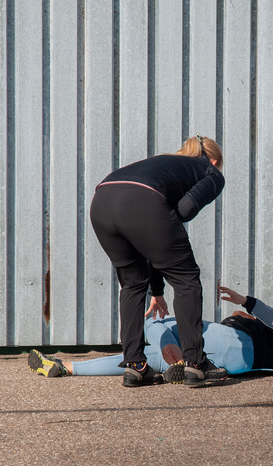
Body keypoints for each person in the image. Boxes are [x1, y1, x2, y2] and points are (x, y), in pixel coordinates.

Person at [88, 134, 226, 388]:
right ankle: (195, 364)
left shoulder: (165, 162)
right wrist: (162, 227)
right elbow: (183, 211)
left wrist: (158, 290)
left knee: (131, 284)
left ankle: (135, 366)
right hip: (142, 201)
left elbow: (150, 239)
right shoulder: (212, 172)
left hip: (102, 201)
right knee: (187, 281)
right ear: (214, 160)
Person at [28, 285, 273, 382]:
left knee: (157, 322)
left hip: (239, 344)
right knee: (137, 360)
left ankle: (169, 349)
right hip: (235, 361)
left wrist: (247, 302)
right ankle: (65, 368)